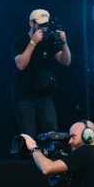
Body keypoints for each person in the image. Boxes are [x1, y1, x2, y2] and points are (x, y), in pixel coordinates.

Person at [11, 8, 71, 137]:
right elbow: (20, 65)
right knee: (28, 134)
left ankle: (50, 156)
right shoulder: (20, 42)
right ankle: (30, 157)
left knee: (52, 130)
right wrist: (33, 42)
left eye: (46, 25)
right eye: (41, 25)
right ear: (31, 23)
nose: (44, 29)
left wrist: (64, 43)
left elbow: (65, 61)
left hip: (44, 94)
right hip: (24, 95)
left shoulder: (48, 41)